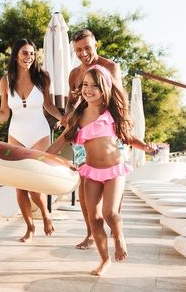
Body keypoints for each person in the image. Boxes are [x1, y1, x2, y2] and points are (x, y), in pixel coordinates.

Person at [47, 65, 156, 276]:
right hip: (91, 172)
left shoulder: (112, 114)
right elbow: (60, 142)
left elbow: (129, 137)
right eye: (85, 85)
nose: (88, 89)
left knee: (110, 213)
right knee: (93, 218)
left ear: (105, 88)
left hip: (115, 170)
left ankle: (119, 236)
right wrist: (41, 157)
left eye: (94, 86)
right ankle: (104, 260)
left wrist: (146, 147)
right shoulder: (77, 116)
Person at [0, 39, 63, 242]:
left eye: (31, 53)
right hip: (16, 135)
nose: (29, 57)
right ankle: (30, 227)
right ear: (16, 55)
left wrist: (66, 120)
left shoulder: (43, 78)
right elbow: (3, 114)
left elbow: (49, 107)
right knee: (20, 186)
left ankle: (45, 214)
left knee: (33, 182)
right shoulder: (6, 81)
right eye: (24, 53)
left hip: (40, 134)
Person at [64, 29, 127, 250]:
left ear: (96, 44)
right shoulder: (74, 74)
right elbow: (70, 105)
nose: (83, 53)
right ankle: (91, 233)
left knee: (112, 186)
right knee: (85, 189)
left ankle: (115, 230)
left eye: (87, 48)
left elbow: (119, 99)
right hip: (83, 136)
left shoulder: (110, 67)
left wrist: (120, 127)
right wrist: (71, 115)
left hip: (108, 131)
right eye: (78, 50)